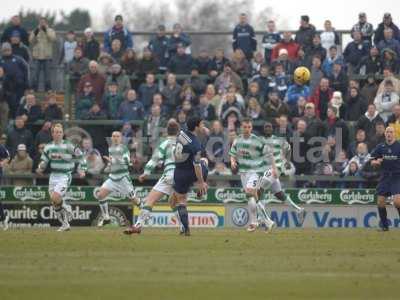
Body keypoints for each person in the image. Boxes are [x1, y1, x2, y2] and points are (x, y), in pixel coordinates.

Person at [124, 120, 182, 234]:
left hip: (170, 174)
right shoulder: (183, 144)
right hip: (181, 176)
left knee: (149, 200)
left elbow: (155, 159)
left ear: (167, 131)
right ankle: (183, 226)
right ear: (178, 132)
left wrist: (146, 172)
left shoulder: (165, 143)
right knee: (173, 203)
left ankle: (138, 225)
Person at [36, 123, 87, 231]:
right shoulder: (48, 146)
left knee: (55, 198)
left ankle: (66, 206)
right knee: (54, 202)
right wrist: (40, 167)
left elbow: (81, 155)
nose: (58, 134)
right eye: (55, 132)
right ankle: (65, 224)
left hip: (65, 175)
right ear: (52, 133)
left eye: (60, 132)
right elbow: (44, 160)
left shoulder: (68, 145)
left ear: (63, 133)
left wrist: (82, 169)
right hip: (53, 175)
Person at [230, 118, 276, 232]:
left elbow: (269, 154)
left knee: (250, 191)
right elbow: (232, 153)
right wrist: (232, 162)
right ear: (241, 127)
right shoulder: (237, 140)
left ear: (252, 128)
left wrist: (274, 168)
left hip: (256, 171)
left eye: (249, 127)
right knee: (250, 197)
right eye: (245, 127)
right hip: (243, 172)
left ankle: (262, 221)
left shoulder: (257, 140)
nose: (247, 129)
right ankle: (258, 222)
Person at [168, 117, 208, 236]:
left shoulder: (181, 133)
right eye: (202, 124)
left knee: (181, 201)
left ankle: (186, 229)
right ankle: (200, 188)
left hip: (178, 172)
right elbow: (196, 166)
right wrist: (201, 181)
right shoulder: (196, 145)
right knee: (204, 162)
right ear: (196, 127)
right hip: (190, 172)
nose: (203, 126)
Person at [259, 122, 306, 223]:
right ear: (263, 129)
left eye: (269, 127)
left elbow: (288, 149)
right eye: (266, 127)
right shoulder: (260, 140)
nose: (267, 128)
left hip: (275, 169)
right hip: (266, 170)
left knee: (260, 188)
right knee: (279, 194)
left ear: (273, 129)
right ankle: (299, 210)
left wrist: (288, 161)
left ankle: (261, 217)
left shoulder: (279, 140)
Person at [95, 131, 141, 227]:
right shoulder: (110, 148)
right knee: (100, 195)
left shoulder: (123, 148)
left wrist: (114, 160)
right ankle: (106, 218)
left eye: (117, 136)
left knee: (135, 200)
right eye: (114, 136)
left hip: (123, 179)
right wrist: (109, 166)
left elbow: (127, 161)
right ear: (111, 138)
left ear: (121, 138)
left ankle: (146, 213)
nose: (115, 138)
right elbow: (112, 162)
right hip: (112, 178)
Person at [370, 126, 400, 231]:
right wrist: (376, 162)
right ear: (385, 134)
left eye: (391, 132)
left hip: (397, 176)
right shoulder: (380, 147)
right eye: (387, 132)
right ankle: (385, 226)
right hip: (385, 177)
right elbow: (372, 161)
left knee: (397, 202)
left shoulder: (399, 146)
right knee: (380, 201)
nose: (389, 134)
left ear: (394, 134)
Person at [29, 17, 56, 91]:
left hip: (47, 56)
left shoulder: (50, 30)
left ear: (46, 23)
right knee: (35, 75)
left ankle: (48, 90)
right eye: (41, 22)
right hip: (37, 56)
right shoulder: (35, 31)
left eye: (43, 22)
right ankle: (34, 89)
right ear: (39, 23)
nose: (42, 23)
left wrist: (46, 30)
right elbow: (31, 40)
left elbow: (53, 39)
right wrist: (37, 31)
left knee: (47, 76)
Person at [0, 143, 10, 230]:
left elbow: (8, 157)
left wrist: (2, 163)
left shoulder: (1, 147)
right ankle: (3, 219)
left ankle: (3, 219)